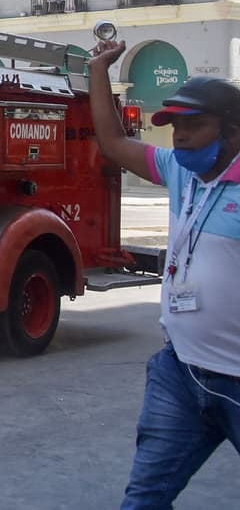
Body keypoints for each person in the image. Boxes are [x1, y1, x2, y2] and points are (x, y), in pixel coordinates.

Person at [88, 40, 240, 509]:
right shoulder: (181, 173)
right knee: (144, 500)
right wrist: (98, 72)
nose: (180, 136)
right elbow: (113, 143)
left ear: (233, 132)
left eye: (194, 125)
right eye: (175, 125)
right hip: (182, 371)